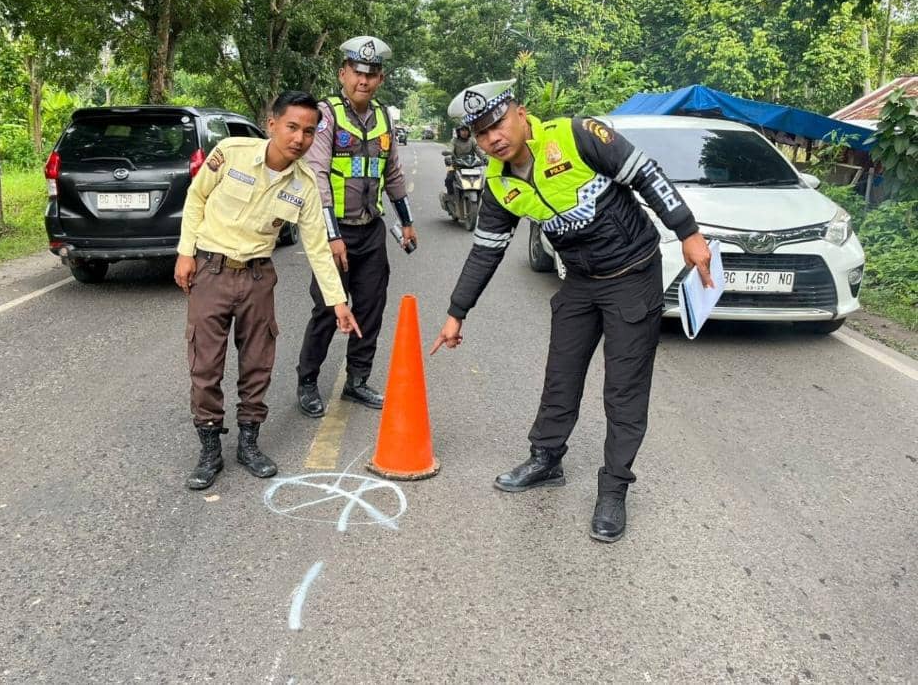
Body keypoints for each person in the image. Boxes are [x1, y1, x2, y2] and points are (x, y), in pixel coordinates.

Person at [430, 80, 712, 543]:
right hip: (579, 282)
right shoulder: (500, 184)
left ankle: (614, 488)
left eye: (497, 123)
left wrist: (688, 232)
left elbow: (646, 174)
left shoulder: (577, 136)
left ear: (520, 113)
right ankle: (546, 459)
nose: (492, 138)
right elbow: (485, 251)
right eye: (480, 134)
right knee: (560, 374)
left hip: (632, 274)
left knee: (623, 389)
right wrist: (457, 312)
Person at [174, 91, 361, 491]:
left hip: (258, 278)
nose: (299, 138)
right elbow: (196, 198)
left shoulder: (305, 183)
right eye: (292, 127)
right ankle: (209, 450)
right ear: (272, 123)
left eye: (309, 132)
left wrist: (338, 302)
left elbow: (316, 246)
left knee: (257, 363)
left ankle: (248, 443)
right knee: (205, 365)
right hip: (211, 270)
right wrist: (185, 253)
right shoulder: (231, 153)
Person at [295, 36, 418, 418]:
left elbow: (392, 173)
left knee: (370, 307)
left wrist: (408, 222)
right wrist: (331, 235)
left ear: (380, 79)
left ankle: (357, 381)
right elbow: (316, 175)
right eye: (356, 73)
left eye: (372, 74)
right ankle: (308, 381)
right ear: (342, 74)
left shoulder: (383, 118)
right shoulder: (327, 115)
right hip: (335, 230)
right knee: (328, 308)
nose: (363, 81)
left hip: (371, 229)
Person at [444, 124, 487, 197]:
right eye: (462, 130)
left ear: (469, 131)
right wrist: (448, 157)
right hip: (455, 164)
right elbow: (450, 149)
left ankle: (483, 198)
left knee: (484, 179)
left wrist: (484, 158)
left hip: (471, 164)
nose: (464, 132)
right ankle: (450, 196)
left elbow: (478, 150)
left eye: (466, 130)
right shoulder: (454, 140)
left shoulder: (472, 140)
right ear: (458, 132)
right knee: (449, 179)